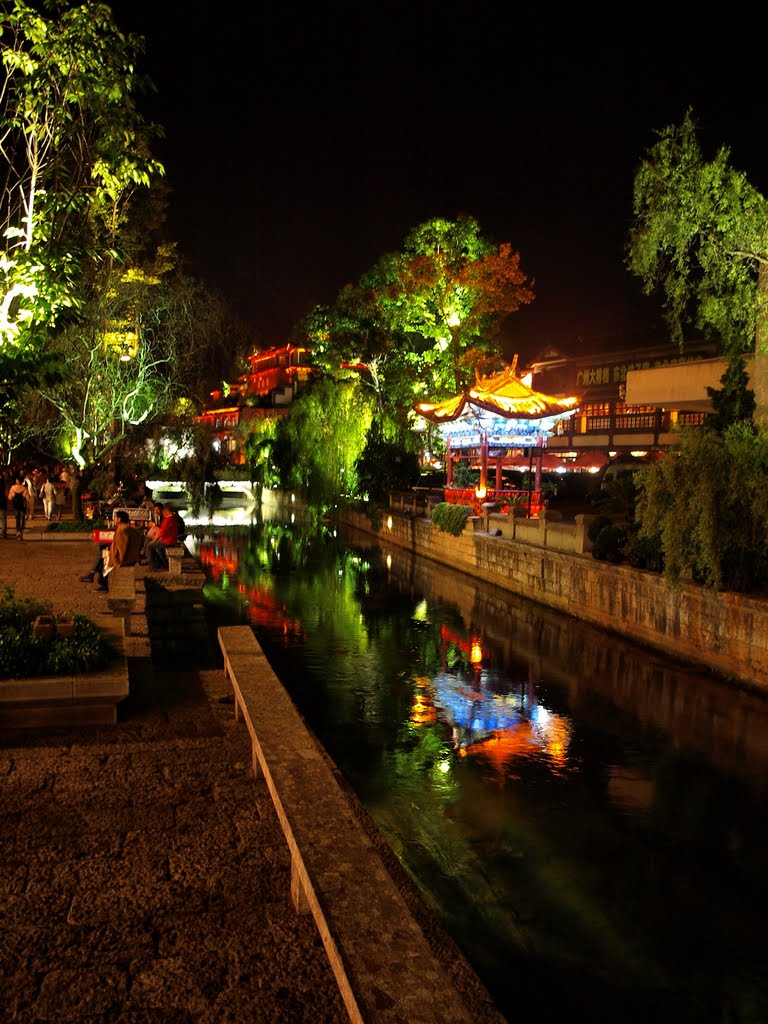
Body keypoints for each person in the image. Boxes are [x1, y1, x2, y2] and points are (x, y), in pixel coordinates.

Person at [80, 510, 141, 590]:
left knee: (102, 556)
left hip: (126, 558)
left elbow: (122, 548)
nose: (114, 520)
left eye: (115, 518)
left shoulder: (121, 530)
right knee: (102, 553)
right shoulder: (128, 528)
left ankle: (97, 577)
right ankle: (94, 575)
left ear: (119, 519)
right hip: (131, 556)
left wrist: (117, 561)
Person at [145, 503, 182, 570]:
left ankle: (153, 566)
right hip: (169, 539)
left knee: (149, 546)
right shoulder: (172, 517)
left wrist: (153, 541)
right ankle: (162, 564)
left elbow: (162, 533)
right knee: (156, 547)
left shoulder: (168, 519)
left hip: (168, 540)